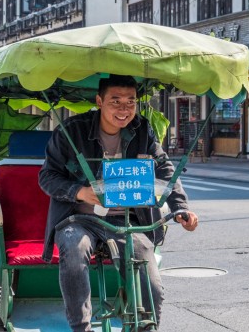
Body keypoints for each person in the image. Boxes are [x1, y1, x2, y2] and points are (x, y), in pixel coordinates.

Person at [38, 74, 199, 332]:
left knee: (151, 285)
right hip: (80, 219)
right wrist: (80, 192)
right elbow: (47, 177)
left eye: (130, 102)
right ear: (99, 101)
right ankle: (81, 328)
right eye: (116, 101)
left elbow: (165, 170)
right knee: (73, 246)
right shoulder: (71, 132)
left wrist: (181, 207)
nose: (124, 109)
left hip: (128, 221)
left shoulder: (142, 130)